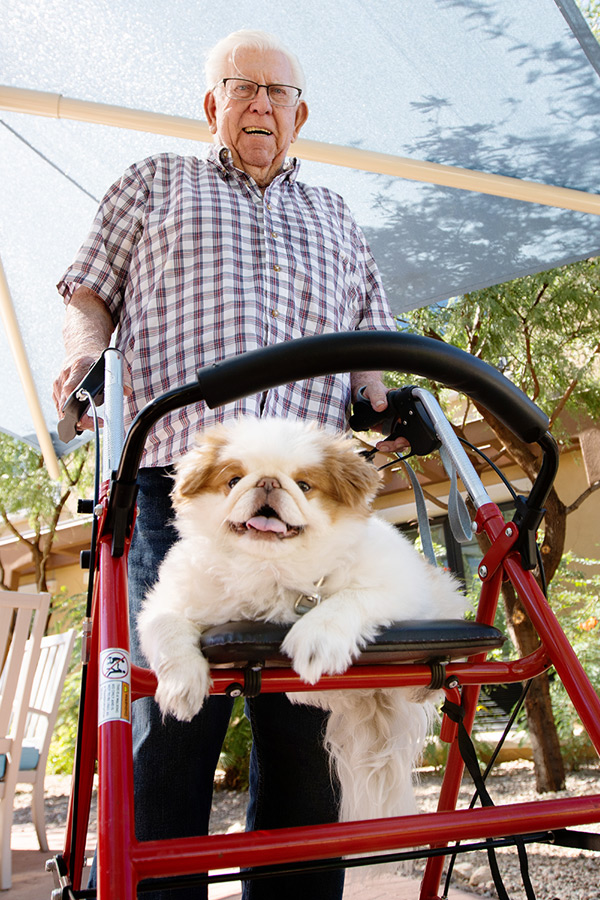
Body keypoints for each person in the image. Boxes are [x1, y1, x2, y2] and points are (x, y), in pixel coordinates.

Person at [53, 29, 402, 900]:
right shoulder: (153, 183)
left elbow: (368, 336)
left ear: (300, 114)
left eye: (277, 93)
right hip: (185, 496)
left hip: (311, 522)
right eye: (241, 88)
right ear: (212, 106)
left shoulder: (334, 214)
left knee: (303, 732)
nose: (260, 105)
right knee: (172, 725)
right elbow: (87, 290)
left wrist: (380, 393)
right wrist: (86, 358)